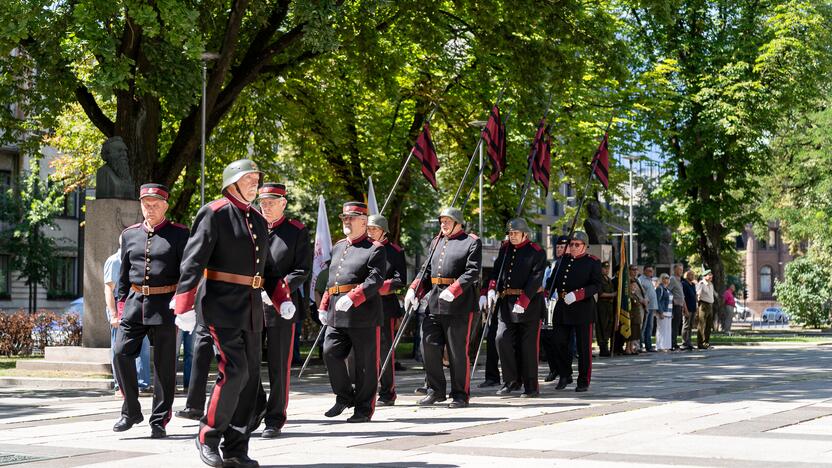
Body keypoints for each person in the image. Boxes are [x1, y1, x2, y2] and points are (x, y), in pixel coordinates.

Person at [172, 159, 268, 467]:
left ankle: (237, 447)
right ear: (232, 182)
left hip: (251, 306)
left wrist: (280, 296)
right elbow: (193, 260)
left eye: (257, 178)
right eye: (249, 178)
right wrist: (184, 303)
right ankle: (207, 435)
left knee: (251, 378)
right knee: (235, 370)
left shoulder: (257, 218)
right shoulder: (214, 212)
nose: (255, 183)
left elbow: (270, 267)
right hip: (220, 304)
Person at [112, 184, 189, 439]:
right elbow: (123, 275)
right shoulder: (129, 235)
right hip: (134, 304)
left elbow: (187, 273)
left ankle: (159, 419)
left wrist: (183, 303)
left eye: (156, 204)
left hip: (165, 307)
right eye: (146, 204)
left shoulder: (179, 234)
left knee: (164, 367)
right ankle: (131, 410)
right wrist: (121, 307)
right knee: (121, 353)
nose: (150, 209)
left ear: (165, 205)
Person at [250, 183, 311, 438]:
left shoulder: (296, 231)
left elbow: (301, 269)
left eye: (272, 202)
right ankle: (256, 408)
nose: (266, 206)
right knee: (249, 362)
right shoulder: (251, 227)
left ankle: (275, 417)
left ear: (283, 203)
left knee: (278, 365)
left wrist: (275, 292)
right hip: (251, 304)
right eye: (262, 202)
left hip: (281, 306)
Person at [405, 207, 481, 409]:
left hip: (459, 305)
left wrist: (455, 289)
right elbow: (426, 270)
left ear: (458, 223)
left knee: (457, 351)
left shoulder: (471, 242)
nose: (443, 224)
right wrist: (414, 289)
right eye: (442, 221)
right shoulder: (436, 241)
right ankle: (436, 390)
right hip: (435, 302)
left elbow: (472, 271)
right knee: (428, 345)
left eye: (447, 221)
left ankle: (460, 394)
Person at [317, 202, 386, 423]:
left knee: (365, 364)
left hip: (363, 313)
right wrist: (324, 305)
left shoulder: (375, 248)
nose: (346, 221)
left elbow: (375, 279)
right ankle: (344, 396)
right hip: (337, 312)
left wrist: (353, 297)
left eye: (352, 217)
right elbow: (331, 281)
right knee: (329, 352)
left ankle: (364, 409)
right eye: (344, 217)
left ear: (364, 222)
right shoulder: (338, 247)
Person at [481, 218, 546, 397]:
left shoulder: (536, 252)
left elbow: (536, 278)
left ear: (525, 234)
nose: (512, 236)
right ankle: (511, 381)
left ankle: (531, 386)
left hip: (529, 305)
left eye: (515, 233)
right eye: (510, 233)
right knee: (501, 339)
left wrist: (523, 300)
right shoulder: (505, 249)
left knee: (528, 347)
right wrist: (491, 289)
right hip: (506, 304)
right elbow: (496, 271)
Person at [550, 231, 602, 392]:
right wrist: (545, 294)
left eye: (576, 244)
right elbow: (551, 281)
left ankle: (583, 379)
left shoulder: (592, 262)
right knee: (558, 342)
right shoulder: (562, 261)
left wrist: (578, 294)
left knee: (583, 347)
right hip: (563, 307)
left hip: (582, 309)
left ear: (584, 246)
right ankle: (565, 374)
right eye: (571, 244)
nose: (572, 247)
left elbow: (596, 285)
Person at [366, 214, 407, 407]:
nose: (370, 232)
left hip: (385, 307)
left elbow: (400, 280)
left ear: (384, 231)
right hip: (363, 305)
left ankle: (387, 392)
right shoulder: (363, 247)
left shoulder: (395, 251)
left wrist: (379, 287)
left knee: (385, 351)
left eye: (374, 229)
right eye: (369, 228)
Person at [104, 237, 151, 393]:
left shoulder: (137, 260)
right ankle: (120, 385)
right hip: (119, 303)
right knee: (118, 346)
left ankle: (143, 384)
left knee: (143, 344)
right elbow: (109, 290)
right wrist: (113, 314)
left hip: (134, 302)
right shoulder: (114, 261)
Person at [541, 235, 569, 381]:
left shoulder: (568, 263)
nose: (559, 249)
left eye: (562, 247)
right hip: (548, 304)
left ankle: (563, 371)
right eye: (557, 247)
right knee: (546, 338)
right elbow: (546, 284)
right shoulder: (551, 265)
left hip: (561, 303)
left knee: (559, 340)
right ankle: (554, 368)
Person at [595, 261, 616, 357]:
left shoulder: (608, 279)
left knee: (608, 326)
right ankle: (603, 348)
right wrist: (612, 295)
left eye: (608, 268)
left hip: (609, 306)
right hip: (602, 306)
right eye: (605, 268)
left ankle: (606, 346)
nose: (607, 270)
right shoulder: (599, 279)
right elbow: (600, 294)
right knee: (602, 326)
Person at [638, 265, 658, 352]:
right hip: (645, 307)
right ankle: (640, 345)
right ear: (644, 271)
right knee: (643, 327)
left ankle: (648, 346)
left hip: (652, 307)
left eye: (651, 271)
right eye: (649, 271)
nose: (651, 272)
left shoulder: (650, 280)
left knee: (650, 327)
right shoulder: (641, 280)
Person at [627, 266, 646, 355]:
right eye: (633, 270)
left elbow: (640, 292)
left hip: (640, 307)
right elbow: (631, 294)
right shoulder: (628, 280)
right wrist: (641, 300)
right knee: (632, 329)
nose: (635, 271)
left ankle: (634, 346)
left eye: (636, 269)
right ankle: (631, 347)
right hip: (633, 308)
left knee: (637, 329)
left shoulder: (637, 280)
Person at [696, 269, 716, 349]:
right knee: (702, 324)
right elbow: (698, 293)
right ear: (705, 276)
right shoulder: (701, 283)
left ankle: (706, 342)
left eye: (711, 274)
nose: (711, 276)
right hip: (703, 305)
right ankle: (700, 343)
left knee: (708, 325)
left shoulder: (711, 284)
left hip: (710, 305)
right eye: (709, 275)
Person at [668, 264, 686, 350]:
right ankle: (671, 343)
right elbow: (667, 291)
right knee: (673, 325)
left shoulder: (679, 280)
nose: (681, 271)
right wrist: (673, 300)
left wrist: (684, 307)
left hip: (680, 305)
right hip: (674, 306)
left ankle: (674, 342)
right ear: (674, 270)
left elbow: (682, 295)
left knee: (677, 325)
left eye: (682, 270)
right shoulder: (672, 279)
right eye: (679, 270)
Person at [655, 274, 673, 351]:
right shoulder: (660, 288)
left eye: (668, 278)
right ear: (661, 279)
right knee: (661, 330)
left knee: (668, 331)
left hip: (669, 313)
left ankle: (667, 346)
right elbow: (657, 301)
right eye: (665, 278)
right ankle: (660, 347)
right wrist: (660, 312)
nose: (667, 279)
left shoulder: (667, 289)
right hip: (663, 313)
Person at [681, 270, 698, 351]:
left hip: (693, 308)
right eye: (691, 275)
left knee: (690, 326)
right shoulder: (684, 284)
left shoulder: (693, 284)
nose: (692, 276)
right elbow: (683, 297)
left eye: (693, 275)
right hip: (687, 308)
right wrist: (685, 309)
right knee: (686, 325)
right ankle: (684, 342)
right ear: (686, 276)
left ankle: (689, 342)